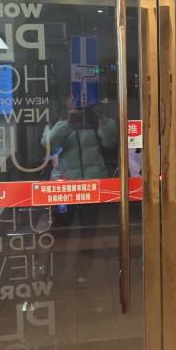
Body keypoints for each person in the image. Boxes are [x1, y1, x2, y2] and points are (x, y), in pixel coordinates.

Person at [41, 94, 117, 286]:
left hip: (91, 184)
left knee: (88, 231)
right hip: (64, 186)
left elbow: (111, 141)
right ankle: (56, 271)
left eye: (82, 96)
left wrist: (100, 117)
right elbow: (48, 145)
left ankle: (82, 270)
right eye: (72, 97)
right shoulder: (56, 120)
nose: (78, 101)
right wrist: (67, 121)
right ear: (65, 100)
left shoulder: (93, 120)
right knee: (61, 231)